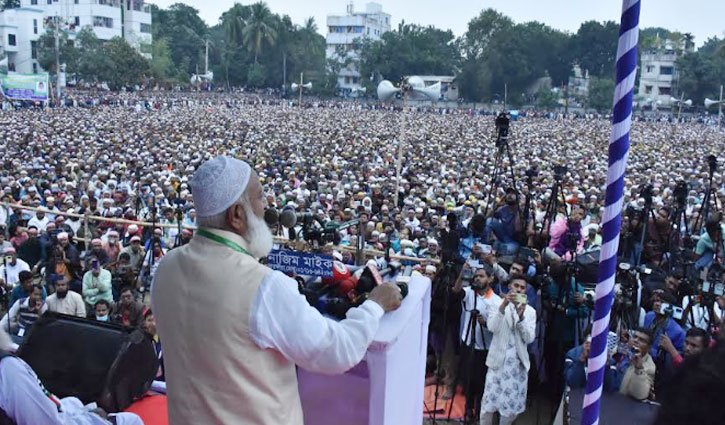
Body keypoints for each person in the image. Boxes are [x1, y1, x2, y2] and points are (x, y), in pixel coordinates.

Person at [152, 156, 402, 425]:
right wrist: (374, 304)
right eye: (259, 197)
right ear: (237, 215)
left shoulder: (165, 268)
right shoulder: (262, 286)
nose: (266, 209)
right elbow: (338, 352)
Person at [0, 327, 143, 424]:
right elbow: (45, 421)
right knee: (131, 420)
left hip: (54, 412)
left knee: (74, 402)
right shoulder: (8, 367)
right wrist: (89, 416)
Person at [446, 263, 500, 421]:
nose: (477, 278)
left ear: (490, 279)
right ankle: (468, 410)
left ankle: (479, 412)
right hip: (468, 342)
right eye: (476, 276)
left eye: (481, 276)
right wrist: (462, 273)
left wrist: (485, 323)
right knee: (468, 380)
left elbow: (496, 326)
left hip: (484, 347)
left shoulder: (496, 301)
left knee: (481, 381)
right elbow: (456, 291)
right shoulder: (470, 292)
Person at [480, 276, 536, 425]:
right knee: (488, 405)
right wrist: (503, 306)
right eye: (516, 286)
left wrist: (522, 317)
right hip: (497, 363)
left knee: (509, 409)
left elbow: (529, 338)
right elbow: (491, 327)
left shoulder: (530, 312)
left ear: (525, 291)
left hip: (516, 367)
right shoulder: (497, 304)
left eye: (522, 288)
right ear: (509, 287)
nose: (518, 289)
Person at [612, 327, 657, 401]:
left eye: (642, 340)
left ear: (648, 348)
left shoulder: (649, 367)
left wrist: (638, 369)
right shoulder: (619, 350)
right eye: (635, 337)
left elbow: (639, 395)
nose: (636, 340)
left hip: (622, 404)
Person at [142, 309, 164, 381]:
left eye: (156, 320)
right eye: (149, 320)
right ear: (144, 322)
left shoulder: (164, 340)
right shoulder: (140, 340)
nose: (153, 323)